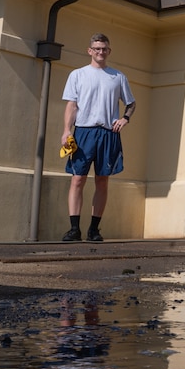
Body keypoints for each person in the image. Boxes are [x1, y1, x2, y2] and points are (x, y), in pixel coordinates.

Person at [60, 33, 136, 242]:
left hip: (108, 133)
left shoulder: (117, 76)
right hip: (83, 132)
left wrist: (124, 119)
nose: (101, 52)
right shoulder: (78, 75)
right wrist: (67, 130)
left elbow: (131, 103)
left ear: (108, 51)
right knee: (77, 180)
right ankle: (74, 229)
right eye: (97, 48)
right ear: (90, 51)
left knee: (102, 181)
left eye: (104, 49)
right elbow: (71, 105)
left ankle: (94, 229)